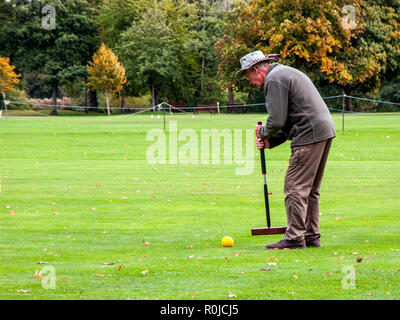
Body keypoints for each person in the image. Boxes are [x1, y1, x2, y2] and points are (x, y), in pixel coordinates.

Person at [236, 51, 336, 249]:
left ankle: (294, 238)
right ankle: (310, 235)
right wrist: (270, 142)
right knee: (310, 189)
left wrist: (262, 132)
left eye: (250, 78)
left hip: (309, 134)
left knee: (294, 188)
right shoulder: (284, 73)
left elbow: (276, 121)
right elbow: (289, 121)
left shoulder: (274, 79)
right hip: (323, 130)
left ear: (257, 70)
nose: (252, 83)